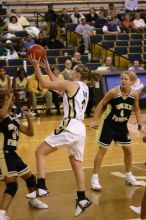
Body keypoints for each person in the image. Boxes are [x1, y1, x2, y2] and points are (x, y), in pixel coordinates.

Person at [25, 56, 99, 217]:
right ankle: (82, 198)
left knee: (40, 152)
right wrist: (48, 70)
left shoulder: (70, 84)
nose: (70, 72)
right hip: (80, 128)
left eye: (73, 70)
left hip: (70, 125)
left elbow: (45, 84)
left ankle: (42, 186)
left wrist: (36, 66)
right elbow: (58, 86)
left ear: (77, 74)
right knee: (76, 163)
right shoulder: (84, 87)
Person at [90, 71, 142, 191]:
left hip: (122, 126)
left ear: (132, 82)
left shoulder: (134, 94)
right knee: (102, 150)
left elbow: (137, 110)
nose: (123, 81)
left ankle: (128, 175)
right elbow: (101, 104)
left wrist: (139, 124)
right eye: (122, 78)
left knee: (128, 150)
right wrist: (94, 120)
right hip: (109, 124)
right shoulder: (113, 92)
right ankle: (94, 178)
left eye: (126, 79)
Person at [0, 91, 48, 220]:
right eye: (8, 98)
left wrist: (28, 117)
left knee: (30, 179)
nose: (12, 100)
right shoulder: (1, 115)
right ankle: (2, 214)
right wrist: (8, 99)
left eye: (12, 98)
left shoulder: (12, 118)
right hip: (2, 154)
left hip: (12, 153)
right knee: (12, 185)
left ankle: (33, 201)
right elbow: (1, 113)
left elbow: (30, 133)